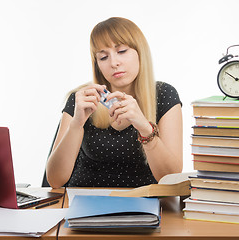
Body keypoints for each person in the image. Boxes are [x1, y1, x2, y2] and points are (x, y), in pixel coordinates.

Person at [46, 17, 183, 189]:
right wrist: (76, 125)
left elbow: (171, 178)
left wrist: (144, 128)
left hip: (143, 207)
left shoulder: (164, 95)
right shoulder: (83, 99)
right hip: (85, 204)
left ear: (140, 52)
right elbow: (55, 181)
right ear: (97, 65)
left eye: (122, 51)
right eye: (103, 57)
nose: (114, 63)